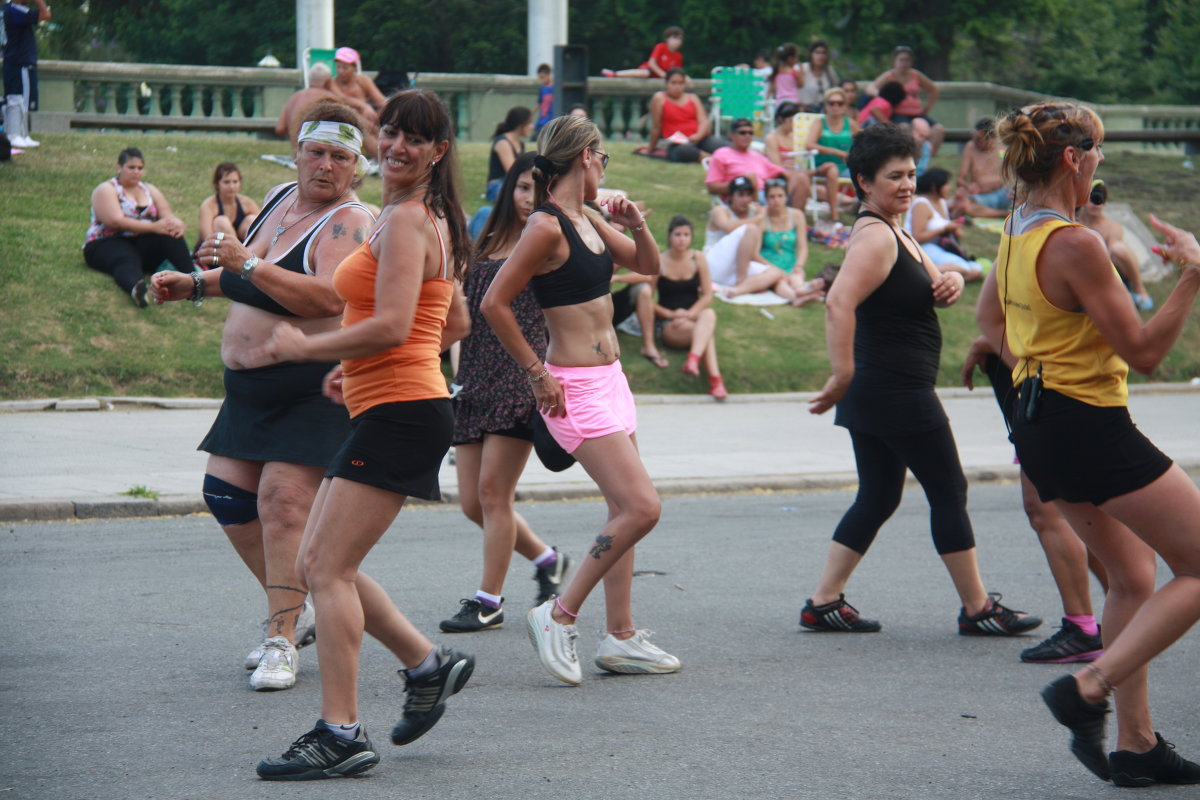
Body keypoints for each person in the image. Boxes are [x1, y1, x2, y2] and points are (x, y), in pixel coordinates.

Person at [246, 89, 476, 780]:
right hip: (393, 402)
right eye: (391, 132)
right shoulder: (415, 218)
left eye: (414, 138)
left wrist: (308, 348)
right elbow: (451, 323)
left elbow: (397, 326)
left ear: (438, 152)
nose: (396, 146)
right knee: (324, 563)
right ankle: (428, 664)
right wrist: (357, 366)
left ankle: (340, 732)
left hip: (403, 410)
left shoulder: (407, 221)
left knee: (327, 569)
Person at [993, 101, 1200, 787]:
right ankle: (1089, 687)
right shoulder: (1077, 243)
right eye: (1098, 153)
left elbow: (991, 318)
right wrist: (1194, 275)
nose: (1101, 164)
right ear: (1073, 159)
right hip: (1089, 424)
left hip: (1042, 422)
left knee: (1134, 579)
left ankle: (1136, 746)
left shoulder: (1018, 225)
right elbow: (1143, 351)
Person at [151, 101, 376, 694]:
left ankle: (280, 638)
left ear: (356, 167)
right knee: (225, 495)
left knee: (281, 506)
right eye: (317, 152)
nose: (326, 165)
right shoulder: (279, 197)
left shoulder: (352, 221)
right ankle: (303, 604)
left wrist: (244, 261)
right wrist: (194, 284)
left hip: (310, 386)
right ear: (297, 153)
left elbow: (328, 298)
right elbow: (247, 275)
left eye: (341, 157)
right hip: (250, 389)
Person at [802, 123, 1042, 638]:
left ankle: (822, 601)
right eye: (894, 176)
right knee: (948, 488)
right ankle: (977, 608)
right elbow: (839, 301)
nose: (907, 184)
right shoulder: (874, 236)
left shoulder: (895, 229)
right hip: (894, 388)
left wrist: (950, 279)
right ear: (864, 182)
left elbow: (927, 281)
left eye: (911, 173)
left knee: (879, 494)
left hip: (885, 386)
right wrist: (842, 373)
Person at [480, 114, 680, 685]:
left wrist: (636, 222)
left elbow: (648, 267)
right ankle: (558, 614)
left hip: (612, 378)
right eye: (604, 160)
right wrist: (537, 375)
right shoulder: (545, 226)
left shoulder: (586, 217)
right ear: (588, 156)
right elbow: (495, 303)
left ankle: (620, 637)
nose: (604, 169)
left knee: (626, 512)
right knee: (642, 508)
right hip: (575, 388)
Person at [440, 151, 574, 633]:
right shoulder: (486, 241)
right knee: (473, 503)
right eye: (521, 187)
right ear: (507, 190)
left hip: (521, 378)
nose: (528, 199)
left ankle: (488, 600)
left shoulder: (550, 242)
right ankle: (546, 560)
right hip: (475, 379)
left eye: (539, 190)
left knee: (495, 495)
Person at [962, 278, 1108, 666]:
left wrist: (993, 341)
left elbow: (1052, 334)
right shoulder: (1026, 235)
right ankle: (1128, 610)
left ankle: (1086, 627)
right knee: (1075, 510)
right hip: (1039, 393)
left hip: (1051, 395)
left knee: (1050, 509)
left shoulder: (1056, 241)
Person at [83, 147, 195, 308]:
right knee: (125, 258)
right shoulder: (106, 189)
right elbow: (115, 221)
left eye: (140, 168)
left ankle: (194, 280)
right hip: (106, 242)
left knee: (170, 235)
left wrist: (176, 224)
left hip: (141, 243)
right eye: (131, 168)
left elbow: (167, 216)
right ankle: (136, 288)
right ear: (119, 167)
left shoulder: (149, 189)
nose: (136, 172)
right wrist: (154, 227)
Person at [654, 215, 727, 399]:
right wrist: (671, 314)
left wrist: (688, 314)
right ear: (670, 236)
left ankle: (694, 360)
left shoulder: (698, 258)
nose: (682, 239)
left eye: (686, 234)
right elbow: (647, 301)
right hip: (669, 324)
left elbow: (708, 295)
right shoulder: (660, 261)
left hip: (692, 317)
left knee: (708, 313)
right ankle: (715, 381)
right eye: (678, 234)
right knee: (706, 333)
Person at [705, 117, 810, 211]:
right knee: (751, 177)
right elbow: (712, 187)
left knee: (800, 178)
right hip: (741, 197)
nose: (747, 136)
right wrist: (741, 182)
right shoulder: (721, 154)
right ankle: (762, 215)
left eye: (750, 133)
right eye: (742, 133)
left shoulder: (756, 156)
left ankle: (794, 222)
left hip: (767, 194)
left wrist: (817, 172)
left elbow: (783, 172)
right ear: (731, 135)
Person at [1078, 180, 1154, 310]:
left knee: (1118, 249)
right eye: (1092, 199)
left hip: (1109, 273)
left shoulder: (1112, 227)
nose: (1095, 205)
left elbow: (1110, 256)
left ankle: (1139, 290)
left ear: (1104, 204)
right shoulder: (1072, 221)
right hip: (1079, 272)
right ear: (1083, 199)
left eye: (1100, 200)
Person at [905, 167, 985, 281]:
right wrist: (944, 228)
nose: (950, 188)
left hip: (937, 247)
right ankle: (917, 273)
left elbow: (954, 230)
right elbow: (917, 237)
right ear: (934, 187)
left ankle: (931, 277)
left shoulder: (941, 202)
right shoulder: (921, 204)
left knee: (976, 270)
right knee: (964, 268)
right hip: (921, 248)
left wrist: (954, 226)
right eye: (946, 184)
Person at [468, 106, 534, 241]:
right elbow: (512, 172)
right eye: (529, 123)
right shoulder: (503, 142)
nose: (532, 126)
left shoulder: (520, 144)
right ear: (521, 124)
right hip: (498, 184)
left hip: (514, 183)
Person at [869, 46, 944, 156]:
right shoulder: (889, 76)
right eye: (901, 60)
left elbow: (933, 89)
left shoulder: (916, 75)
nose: (904, 63)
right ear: (895, 61)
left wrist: (927, 107)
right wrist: (881, 97)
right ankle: (907, 156)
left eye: (907, 60)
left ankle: (928, 157)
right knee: (904, 129)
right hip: (898, 114)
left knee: (938, 129)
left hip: (917, 113)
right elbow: (871, 88)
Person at [646, 67, 725, 163]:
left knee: (722, 145)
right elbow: (656, 126)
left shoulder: (693, 98)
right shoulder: (660, 98)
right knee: (684, 151)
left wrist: (698, 136)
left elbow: (704, 122)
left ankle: (721, 159)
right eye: (673, 83)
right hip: (678, 143)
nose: (677, 87)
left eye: (680, 83)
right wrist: (651, 148)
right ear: (667, 84)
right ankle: (712, 160)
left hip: (699, 138)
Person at [805, 86, 860, 220]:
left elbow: (863, 143)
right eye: (831, 103)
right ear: (826, 106)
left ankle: (866, 210)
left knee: (862, 173)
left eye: (839, 103)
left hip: (844, 167)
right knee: (833, 170)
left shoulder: (851, 124)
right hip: (822, 166)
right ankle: (834, 215)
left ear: (845, 106)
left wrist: (852, 154)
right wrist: (836, 152)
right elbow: (809, 144)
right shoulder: (820, 123)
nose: (835, 106)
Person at [2, 0, 49, 148]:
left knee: (20, 100)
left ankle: (22, 134)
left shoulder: (8, 10)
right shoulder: (16, 10)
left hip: (13, 61)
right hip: (19, 62)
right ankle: (14, 134)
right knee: (18, 99)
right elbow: (45, 14)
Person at [950, 118, 1010, 220]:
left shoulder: (1001, 148)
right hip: (981, 198)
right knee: (963, 204)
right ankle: (1005, 213)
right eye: (974, 137)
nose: (975, 141)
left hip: (1002, 194)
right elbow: (960, 180)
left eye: (978, 139)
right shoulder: (970, 147)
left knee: (1020, 191)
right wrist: (968, 187)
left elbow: (1010, 175)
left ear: (990, 139)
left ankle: (1008, 212)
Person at [274, 62, 339, 151]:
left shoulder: (294, 97)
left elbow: (280, 128)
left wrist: (296, 134)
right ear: (328, 81)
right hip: (316, 153)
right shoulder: (330, 98)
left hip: (297, 153)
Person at [196, 162, 260, 246]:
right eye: (226, 182)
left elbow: (264, 231)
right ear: (217, 184)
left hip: (246, 251)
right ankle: (236, 253)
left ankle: (249, 254)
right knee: (221, 222)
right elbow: (207, 238)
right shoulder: (209, 205)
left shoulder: (247, 203)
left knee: (251, 220)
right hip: (215, 250)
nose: (231, 187)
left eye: (235, 182)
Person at [329, 46, 386, 127]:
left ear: (354, 68)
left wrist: (377, 116)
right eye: (338, 67)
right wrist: (364, 106)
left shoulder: (363, 81)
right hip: (342, 123)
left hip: (366, 122)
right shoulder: (332, 82)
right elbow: (342, 98)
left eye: (345, 68)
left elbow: (381, 101)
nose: (340, 71)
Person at [601, 26, 684, 79]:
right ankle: (614, 74)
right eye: (674, 38)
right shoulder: (661, 47)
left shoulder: (678, 56)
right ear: (667, 39)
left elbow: (677, 72)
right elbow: (652, 63)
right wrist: (663, 75)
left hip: (658, 79)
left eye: (679, 39)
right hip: (649, 71)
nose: (677, 41)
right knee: (644, 73)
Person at [796, 40, 840, 112]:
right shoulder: (802, 69)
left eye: (823, 53)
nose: (821, 56)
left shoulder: (829, 71)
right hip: (805, 109)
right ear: (811, 55)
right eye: (817, 53)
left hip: (825, 110)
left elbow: (836, 90)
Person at [769, 43, 801, 108]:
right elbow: (801, 84)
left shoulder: (776, 71)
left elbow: (772, 88)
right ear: (790, 58)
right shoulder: (794, 71)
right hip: (793, 102)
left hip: (780, 102)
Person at [535, 63, 554, 132]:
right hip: (542, 119)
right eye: (540, 78)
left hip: (551, 118)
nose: (541, 80)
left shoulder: (555, 88)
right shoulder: (542, 88)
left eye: (543, 77)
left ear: (548, 74)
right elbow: (539, 103)